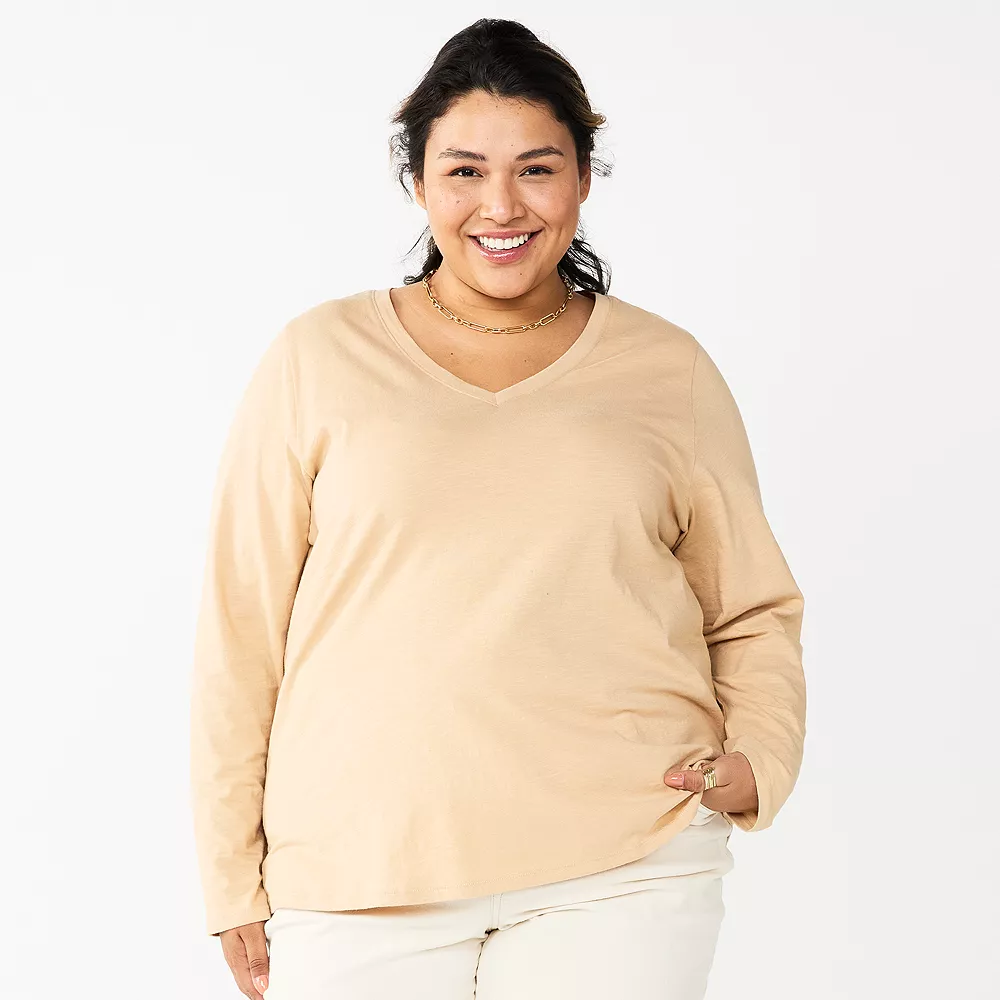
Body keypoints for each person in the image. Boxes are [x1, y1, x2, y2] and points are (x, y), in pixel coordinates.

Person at [189, 17, 807, 1000]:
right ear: (418, 181)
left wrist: (759, 759)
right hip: (358, 869)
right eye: (465, 171)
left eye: (537, 169)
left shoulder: (667, 369)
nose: (501, 205)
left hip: (625, 861)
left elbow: (751, 608)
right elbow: (241, 629)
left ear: (583, 178)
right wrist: (231, 871)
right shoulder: (319, 358)